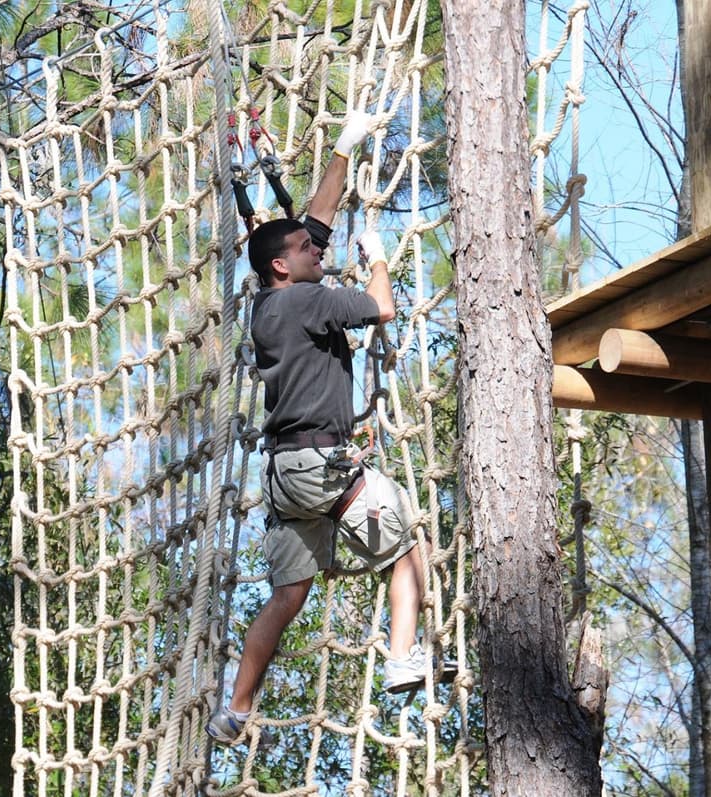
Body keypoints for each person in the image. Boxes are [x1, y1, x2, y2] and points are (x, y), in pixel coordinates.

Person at [208, 112, 454, 746]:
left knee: (288, 595)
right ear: (283, 266)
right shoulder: (310, 299)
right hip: (322, 466)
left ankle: (236, 707)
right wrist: (376, 259)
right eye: (306, 250)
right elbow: (382, 308)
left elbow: (313, 219)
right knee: (406, 549)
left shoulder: (269, 304)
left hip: (285, 476)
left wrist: (343, 147)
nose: (320, 249)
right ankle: (402, 658)